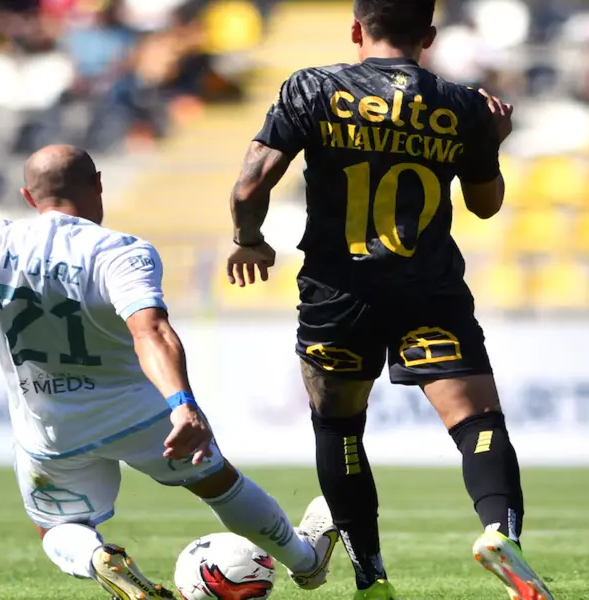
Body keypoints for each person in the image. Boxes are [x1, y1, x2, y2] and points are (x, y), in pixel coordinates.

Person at [0, 145, 340, 600]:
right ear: (97, 183)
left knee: (58, 528)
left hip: (49, 425)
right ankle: (304, 561)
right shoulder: (121, 251)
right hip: (140, 413)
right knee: (220, 484)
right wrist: (180, 403)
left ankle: (98, 559)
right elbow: (151, 330)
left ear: (28, 196)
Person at [222, 1, 554, 599]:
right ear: (428, 36)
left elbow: (250, 185)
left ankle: (371, 578)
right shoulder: (464, 105)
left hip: (336, 295)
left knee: (340, 428)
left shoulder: (314, 88)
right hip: (428, 290)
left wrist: (250, 240)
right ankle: (499, 533)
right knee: (477, 422)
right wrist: (492, 140)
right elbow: (485, 205)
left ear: (356, 29)